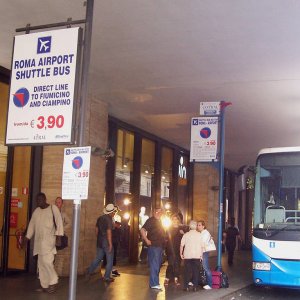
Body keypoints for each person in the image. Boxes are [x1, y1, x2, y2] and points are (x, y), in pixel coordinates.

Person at [24, 192, 64, 294]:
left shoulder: (52, 208)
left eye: (40, 199)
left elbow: (59, 222)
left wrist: (58, 237)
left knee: (47, 263)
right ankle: (45, 285)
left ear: (45, 199)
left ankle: (53, 281)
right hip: (39, 243)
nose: (38, 201)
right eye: (37, 200)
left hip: (49, 243)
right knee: (41, 265)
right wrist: (27, 237)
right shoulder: (36, 211)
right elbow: (32, 225)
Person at [86, 203, 118, 282]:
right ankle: (107, 277)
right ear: (111, 212)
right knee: (110, 259)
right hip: (106, 241)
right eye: (114, 212)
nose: (114, 213)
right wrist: (110, 244)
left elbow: (96, 229)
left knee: (98, 258)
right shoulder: (109, 219)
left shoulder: (100, 218)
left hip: (100, 240)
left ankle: (89, 271)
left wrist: (99, 237)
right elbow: (109, 232)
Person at [140, 207, 165, 291]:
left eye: (161, 212)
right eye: (157, 211)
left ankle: (153, 283)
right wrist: (146, 240)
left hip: (158, 246)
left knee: (156, 264)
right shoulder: (151, 220)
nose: (159, 213)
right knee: (155, 264)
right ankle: (154, 283)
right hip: (154, 246)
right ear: (154, 212)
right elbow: (142, 229)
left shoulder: (159, 221)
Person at [180, 220, 203, 292]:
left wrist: (181, 254)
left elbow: (181, 245)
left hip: (188, 255)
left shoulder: (186, 235)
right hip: (196, 255)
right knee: (196, 271)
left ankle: (186, 286)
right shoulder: (200, 235)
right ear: (196, 226)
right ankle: (195, 287)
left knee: (187, 271)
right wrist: (201, 255)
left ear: (189, 226)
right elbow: (202, 246)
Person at [164, 214, 184, 286]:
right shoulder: (169, 229)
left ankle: (176, 278)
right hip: (170, 249)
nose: (175, 221)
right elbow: (166, 239)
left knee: (177, 264)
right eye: (173, 219)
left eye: (176, 219)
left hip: (178, 249)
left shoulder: (181, 229)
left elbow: (185, 239)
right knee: (171, 264)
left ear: (178, 220)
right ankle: (167, 278)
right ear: (171, 220)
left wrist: (183, 233)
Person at [197, 220, 213, 290]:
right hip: (202, 252)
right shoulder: (202, 233)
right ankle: (197, 281)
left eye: (199, 225)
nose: (198, 226)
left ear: (203, 226)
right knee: (201, 267)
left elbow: (202, 244)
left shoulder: (205, 233)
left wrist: (201, 254)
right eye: (197, 225)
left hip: (204, 252)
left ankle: (210, 284)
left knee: (206, 268)